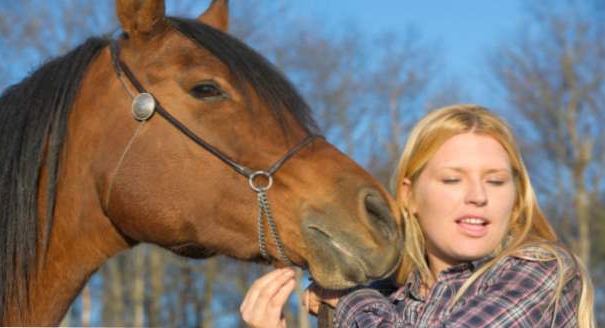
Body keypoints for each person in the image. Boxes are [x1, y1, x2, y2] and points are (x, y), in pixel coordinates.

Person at [240, 104, 595, 328]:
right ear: (409, 196)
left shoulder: (541, 271)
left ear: (516, 200)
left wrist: (347, 299)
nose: (478, 196)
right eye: (453, 179)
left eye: (496, 181)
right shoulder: (387, 300)